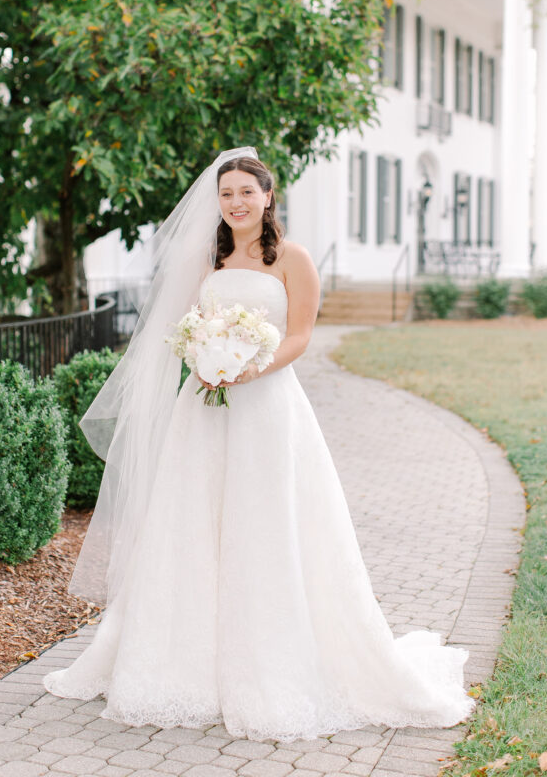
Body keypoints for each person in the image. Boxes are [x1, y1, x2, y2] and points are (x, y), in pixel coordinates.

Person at [43, 147, 474, 743]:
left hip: (268, 407)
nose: (237, 202)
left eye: (247, 191)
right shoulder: (209, 258)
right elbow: (184, 327)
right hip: (204, 407)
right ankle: (180, 664)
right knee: (193, 522)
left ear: (268, 196)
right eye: (226, 194)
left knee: (263, 523)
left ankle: (269, 664)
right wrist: (202, 355)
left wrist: (252, 365)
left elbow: (300, 334)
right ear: (217, 203)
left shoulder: (293, 258)